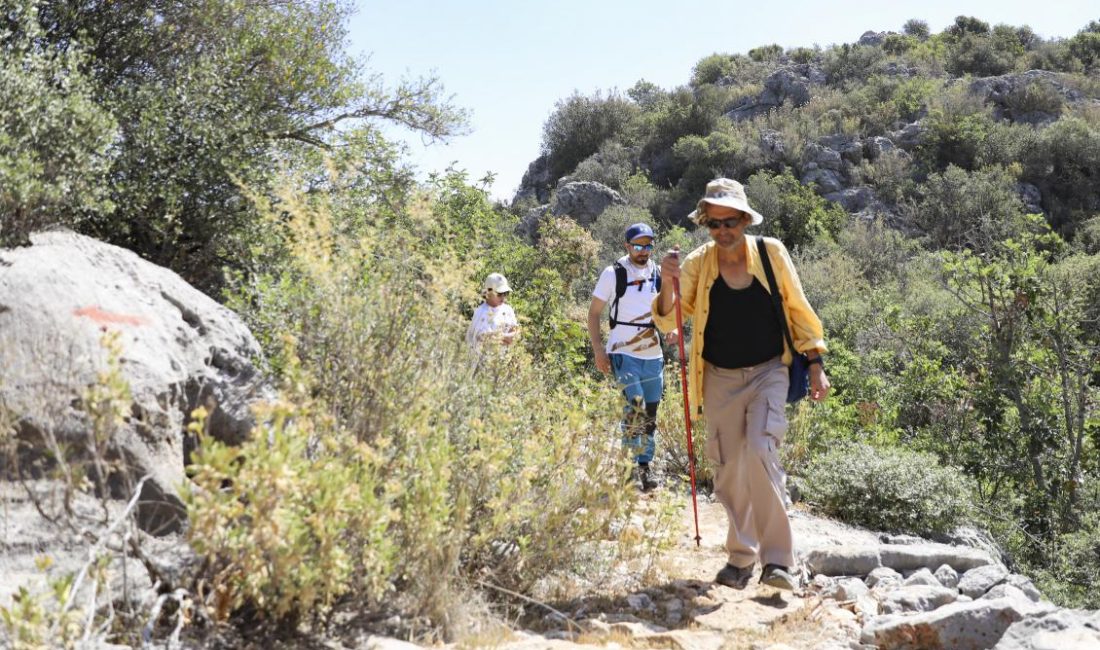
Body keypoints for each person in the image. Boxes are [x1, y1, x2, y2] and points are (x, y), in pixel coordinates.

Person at [652, 178, 830, 591]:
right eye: (713, 224)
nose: (722, 231)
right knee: (729, 469)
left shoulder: (771, 253)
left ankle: (778, 562)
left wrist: (816, 360)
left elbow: (798, 307)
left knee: (761, 452)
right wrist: (667, 282)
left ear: (745, 220)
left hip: (770, 370)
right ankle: (740, 557)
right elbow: (668, 318)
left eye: (729, 221)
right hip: (718, 376)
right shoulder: (698, 263)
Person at [588, 223, 677, 492]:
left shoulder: (659, 274)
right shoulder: (613, 273)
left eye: (648, 245)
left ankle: (644, 467)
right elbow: (594, 314)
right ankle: (629, 469)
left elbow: (665, 314)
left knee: (649, 412)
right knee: (635, 408)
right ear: (627, 246)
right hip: (623, 351)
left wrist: (671, 329)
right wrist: (598, 349)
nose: (643, 251)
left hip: (653, 354)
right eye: (638, 246)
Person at [466, 272, 519, 351]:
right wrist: (504, 337)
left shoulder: (508, 310)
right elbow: (482, 339)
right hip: (483, 360)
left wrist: (498, 336)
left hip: (504, 360)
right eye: (499, 294)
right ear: (488, 292)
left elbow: (515, 334)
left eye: (505, 293)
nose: (503, 297)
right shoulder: (480, 312)